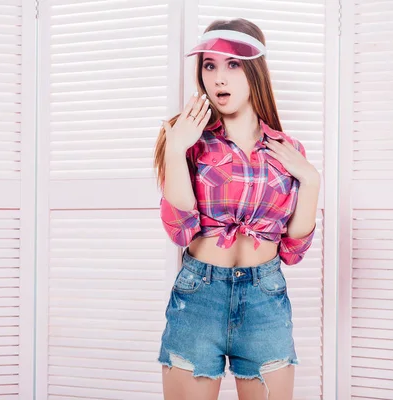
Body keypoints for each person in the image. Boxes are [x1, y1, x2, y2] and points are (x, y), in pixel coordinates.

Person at [153, 18, 320, 400]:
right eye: (209, 66)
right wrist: (176, 150)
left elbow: (292, 252)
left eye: (232, 65)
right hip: (198, 295)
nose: (219, 79)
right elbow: (180, 231)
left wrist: (311, 181)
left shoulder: (288, 150)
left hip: (266, 297)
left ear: (256, 70)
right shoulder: (188, 140)